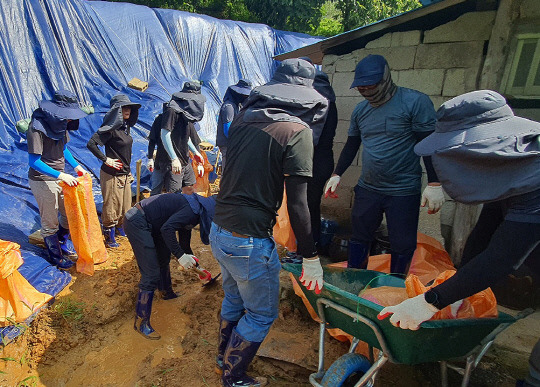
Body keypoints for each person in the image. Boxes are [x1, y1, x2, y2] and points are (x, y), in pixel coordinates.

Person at [378, 90, 540, 387]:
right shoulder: (509, 170)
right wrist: (458, 286)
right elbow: (483, 237)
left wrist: (429, 302)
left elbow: (502, 257)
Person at [210, 58, 328, 387]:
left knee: (234, 298)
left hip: (219, 229)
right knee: (261, 313)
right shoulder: (297, 131)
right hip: (247, 240)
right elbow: (299, 203)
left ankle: (223, 357)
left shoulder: (245, 119)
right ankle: (233, 378)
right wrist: (310, 256)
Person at [324, 54, 444, 275]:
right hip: (368, 188)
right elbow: (351, 144)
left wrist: (435, 182)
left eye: (371, 86)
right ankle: (355, 280)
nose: (366, 91)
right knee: (359, 237)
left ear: (386, 79)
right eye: (361, 88)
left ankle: (396, 285)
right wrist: (337, 173)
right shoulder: (361, 111)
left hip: (402, 190)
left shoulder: (415, 102)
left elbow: (428, 144)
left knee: (402, 243)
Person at [124, 192, 216, 340]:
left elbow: (184, 245)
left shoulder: (196, 209)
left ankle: (166, 293)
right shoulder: (191, 211)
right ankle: (141, 323)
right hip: (137, 221)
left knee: (164, 257)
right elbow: (167, 230)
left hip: (155, 223)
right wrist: (180, 256)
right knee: (151, 273)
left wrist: (196, 267)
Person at [27, 89, 89, 269]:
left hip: (60, 177)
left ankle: (61, 243)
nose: (70, 119)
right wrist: (61, 175)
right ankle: (55, 256)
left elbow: (64, 149)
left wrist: (76, 166)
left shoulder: (61, 124)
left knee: (68, 214)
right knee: (50, 221)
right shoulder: (36, 128)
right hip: (42, 179)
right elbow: (34, 161)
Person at [87, 94, 140, 248]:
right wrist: (106, 159)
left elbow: (125, 153)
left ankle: (119, 228)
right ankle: (109, 235)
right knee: (112, 205)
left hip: (124, 173)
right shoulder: (110, 129)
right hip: (111, 175)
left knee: (124, 205)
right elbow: (91, 144)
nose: (128, 109)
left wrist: (128, 170)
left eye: (129, 107)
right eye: (124, 107)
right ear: (116, 110)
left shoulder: (125, 127)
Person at [148, 82, 206, 196]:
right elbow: (164, 134)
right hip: (171, 162)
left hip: (184, 159)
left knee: (189, 188)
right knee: (173, 194)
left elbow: (186, 137)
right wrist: (174, 159)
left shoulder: (186, 114)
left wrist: (195, 153)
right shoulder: (171, 111)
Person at [215, 79, 252, 168]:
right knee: (228, 170)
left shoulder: (236, 106)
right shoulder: (229, 107)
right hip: (228, 145)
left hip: (232, 144)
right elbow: (227, 130)